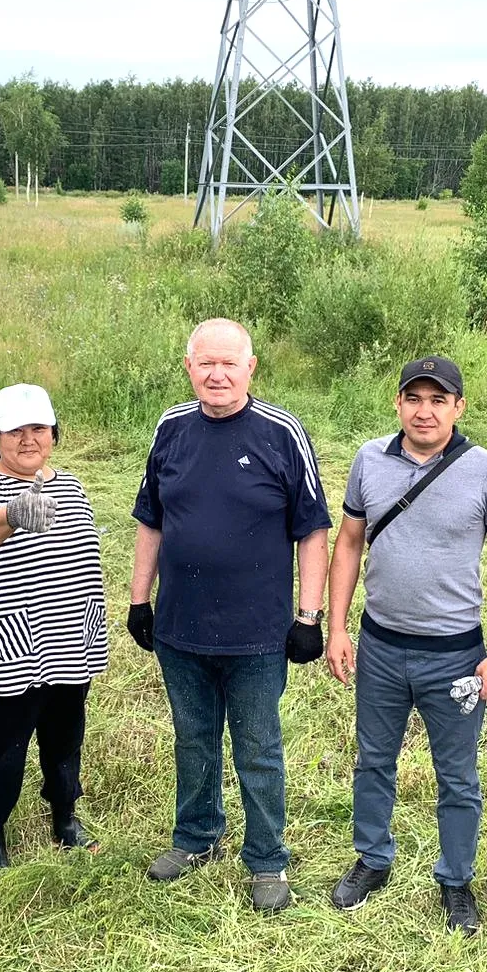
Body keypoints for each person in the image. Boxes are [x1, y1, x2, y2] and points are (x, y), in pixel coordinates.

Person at [128, 318, 331, 913]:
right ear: (189, 367)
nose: (217, 374)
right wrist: (140, 599)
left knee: (258, 745)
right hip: (180, 626)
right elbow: (151, 519)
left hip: (257, 632)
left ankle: (267, 859)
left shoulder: (281, 432)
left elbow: (312, 531)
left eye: (229, 363)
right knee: (193, 740)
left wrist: (309, 615)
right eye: (204, 363)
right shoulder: (171, 428)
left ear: (251, 367)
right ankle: (196, 837)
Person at [324, 357, 487, 935]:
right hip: (381, 646)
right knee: (373, 760)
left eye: (439, 400)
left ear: (458, 408)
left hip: (456, 655)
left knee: (457, 774)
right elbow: (348, 546)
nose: (425, 410)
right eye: (414, 398)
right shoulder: (369, 460)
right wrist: (337, 628)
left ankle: (456, 879)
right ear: (398, 403)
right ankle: (372, 859)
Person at [0, 384, 108, 873]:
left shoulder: (70, 484)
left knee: (65, 738)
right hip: (9, 646)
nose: (27, 439)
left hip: (72, 642)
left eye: (38, 428)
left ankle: (64, 817)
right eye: (14, 430)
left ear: (53, 434)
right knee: (3, 745)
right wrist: (13, 513)